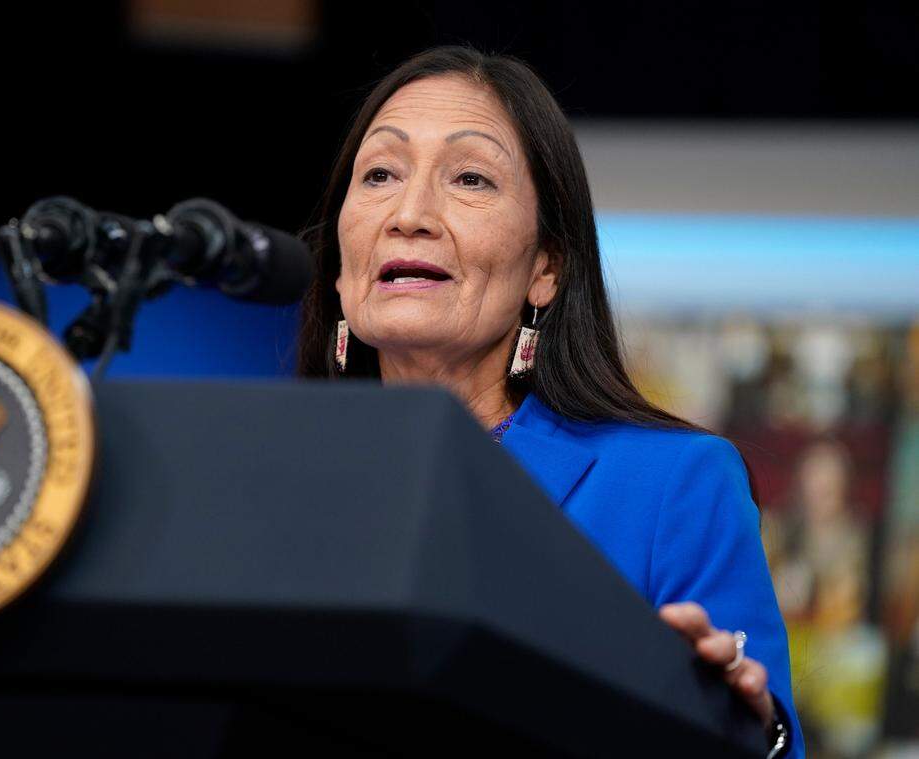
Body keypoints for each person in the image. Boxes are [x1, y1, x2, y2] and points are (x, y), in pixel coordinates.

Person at [297, 45, 802, 758]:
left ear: (546, 268)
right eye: (380, 173)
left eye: (470, 178)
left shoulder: (673, 487)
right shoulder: (270, 487)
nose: (410, 214)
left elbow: (767, 735)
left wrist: (744, 728)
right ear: (340, 274)